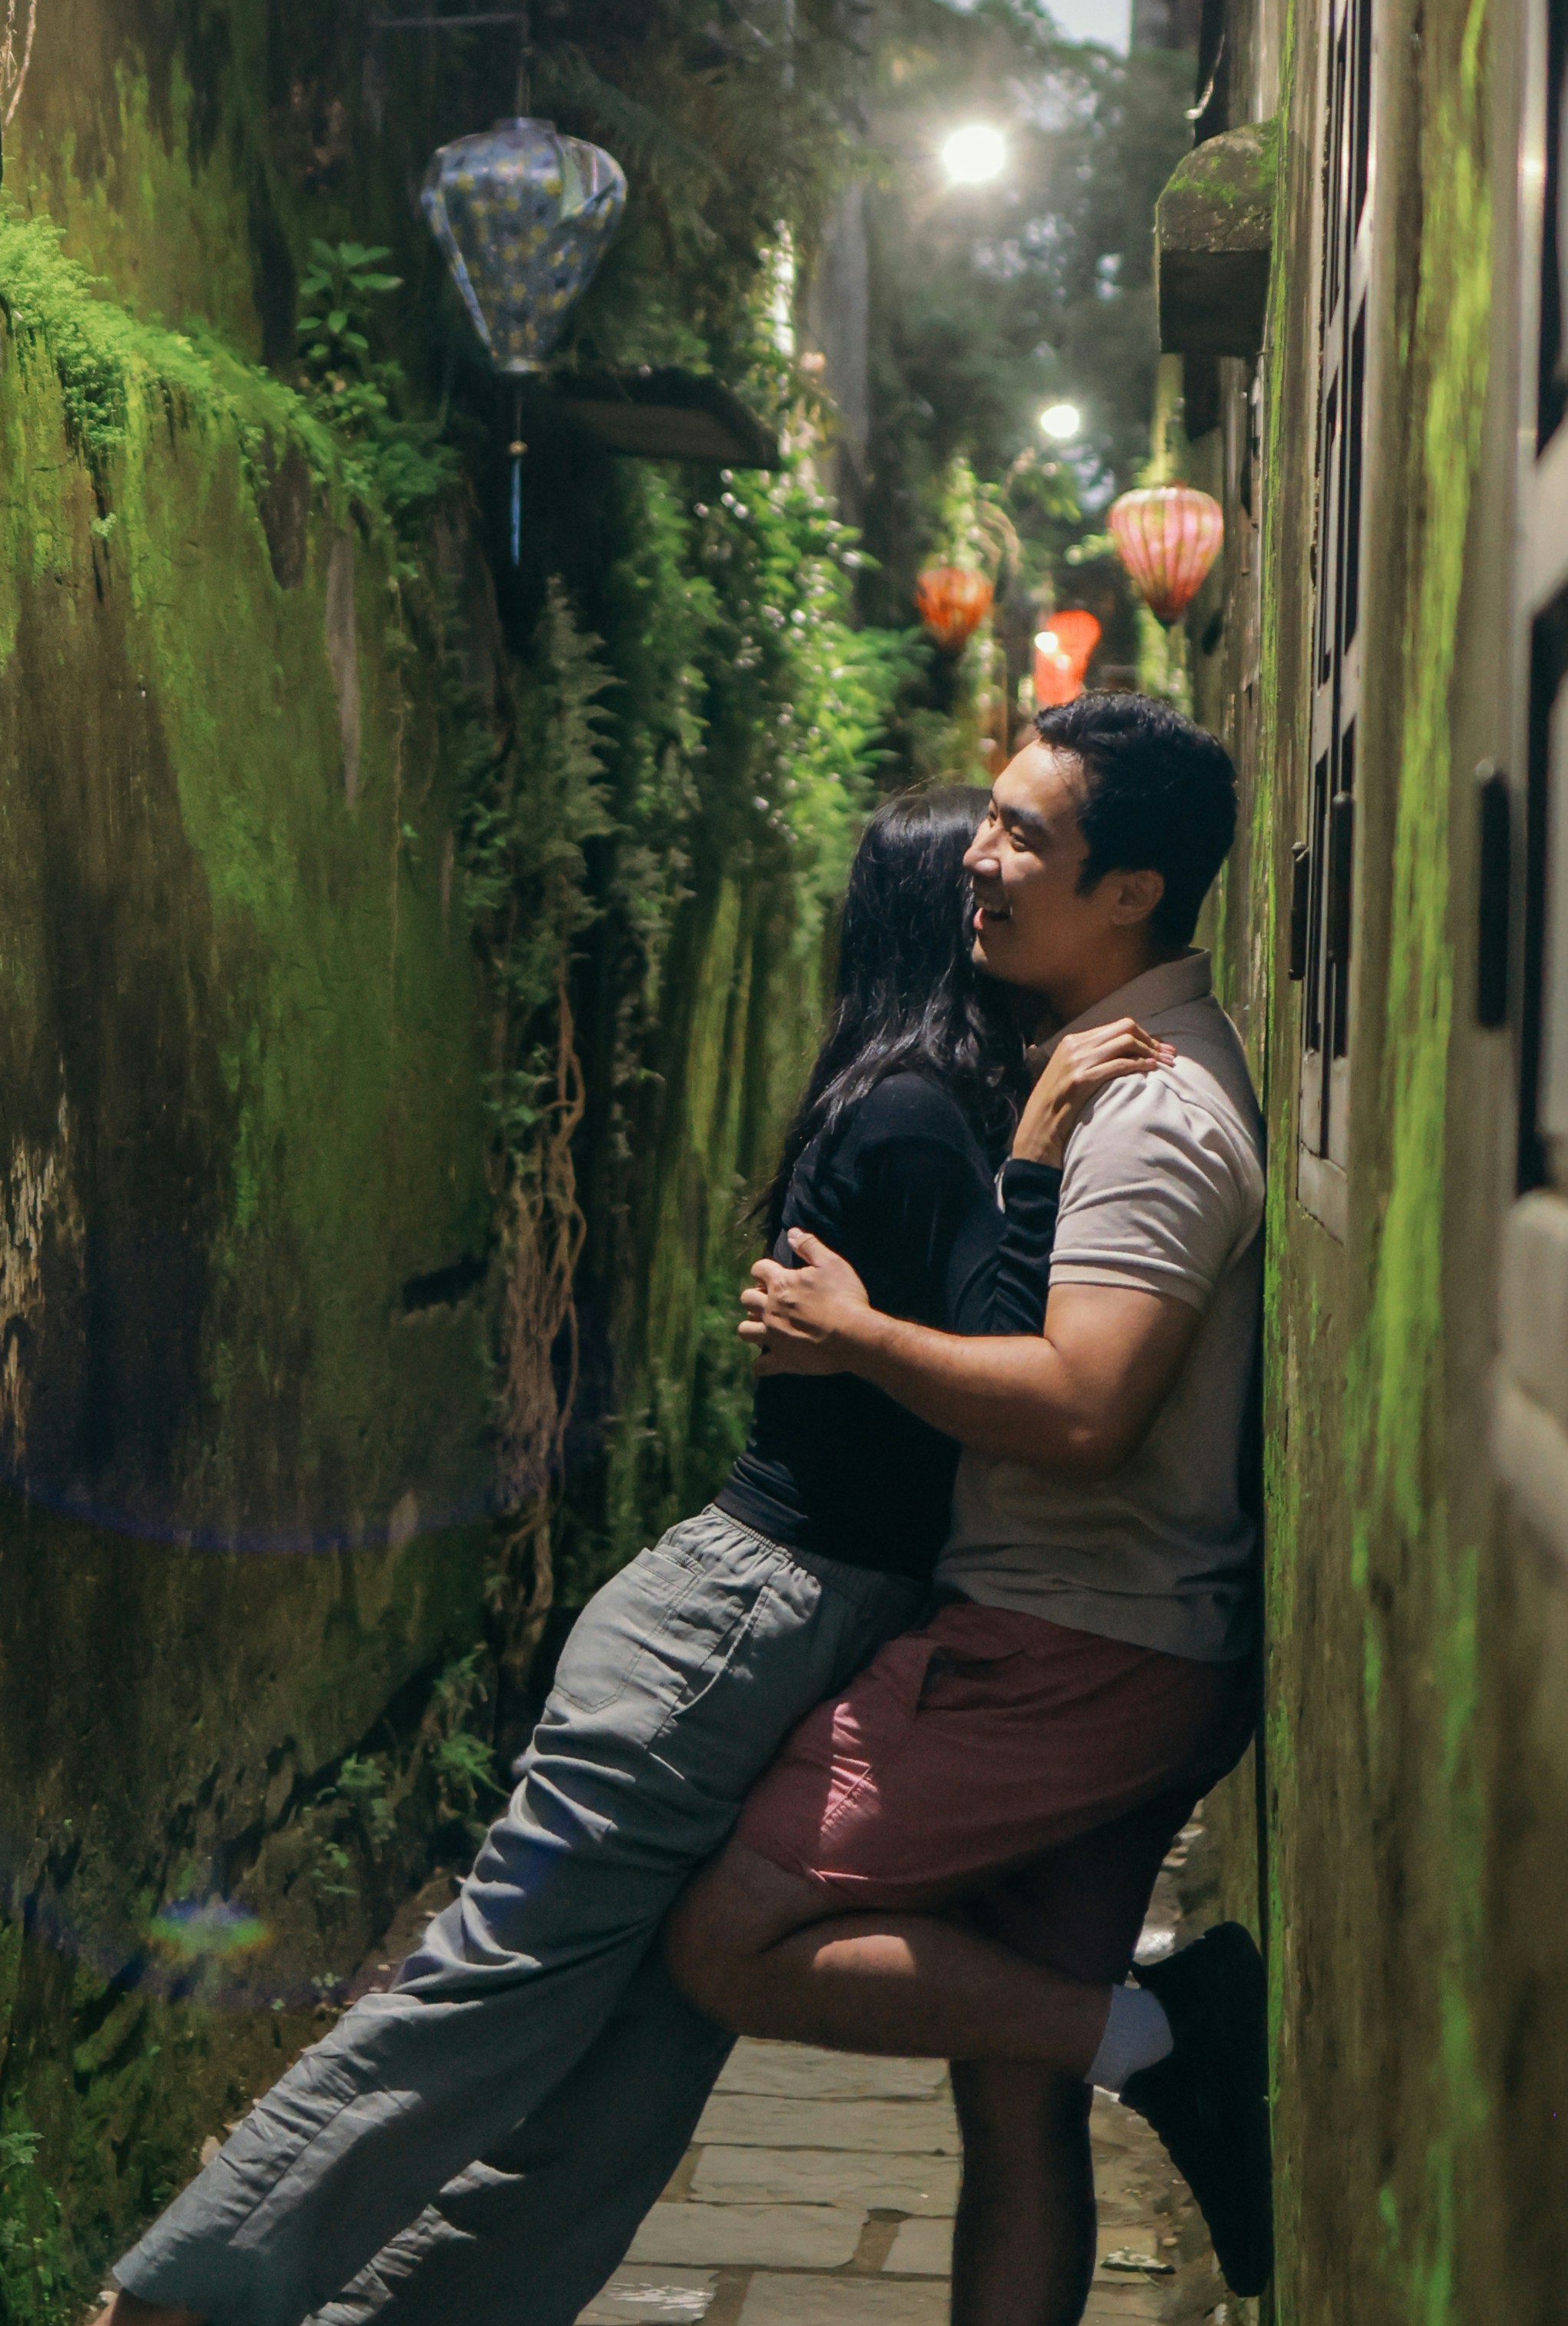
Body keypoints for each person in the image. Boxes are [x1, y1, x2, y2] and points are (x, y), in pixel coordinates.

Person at [95, 790, 1155, 2326]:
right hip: (734, 1625)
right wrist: (1045, 1157)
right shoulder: (924, 1112)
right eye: (988, 873)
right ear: (952, 920)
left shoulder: (913, 1096)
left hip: (795, 1631)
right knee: (492, 1991)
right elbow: (985, 1390)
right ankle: (175, 2300)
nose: (1015, 893)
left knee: (622, 2098)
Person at [664, 691, 1269, 2326]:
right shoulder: (1086, 1075)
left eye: (1024, 837)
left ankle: (1152, 2032)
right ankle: (1118, 2034)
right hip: (1104, 1635)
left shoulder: (1151, 1110)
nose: (978, 862)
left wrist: (850, 1332)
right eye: (986, 822)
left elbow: (1080, 1406)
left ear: (1130, 887)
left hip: (1062, 1645)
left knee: (726, 1934)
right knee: (1008, 2094)